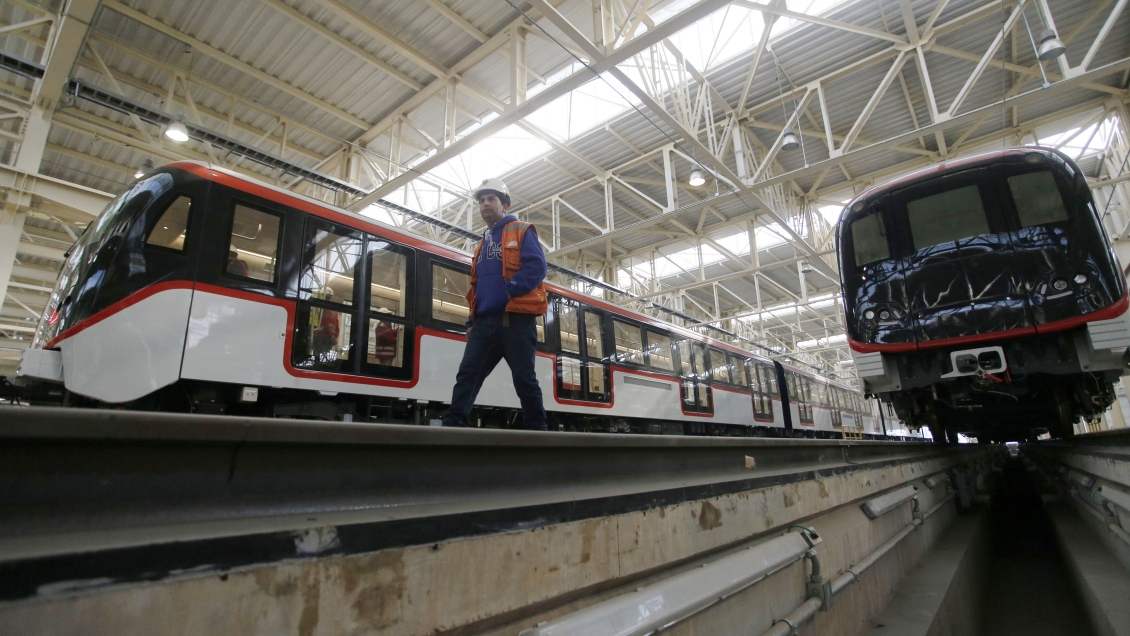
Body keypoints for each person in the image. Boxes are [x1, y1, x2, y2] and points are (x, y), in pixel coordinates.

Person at [442, 178, 549, 431]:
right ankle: (453, 424)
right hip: (484, 325)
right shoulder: (481, 244)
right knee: (468, 375)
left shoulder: (522, 230)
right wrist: (471, 321)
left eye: (491, 199)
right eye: (481, 200)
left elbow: (537, 266)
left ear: (505, 204)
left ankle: (538, 430)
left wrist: (509, 290)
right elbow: (477, 286)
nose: (485, 204)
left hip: (516, 323)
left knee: (524, 379)